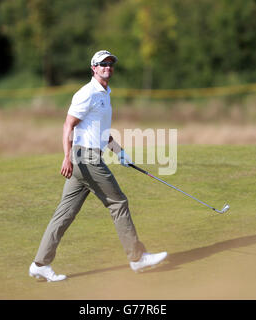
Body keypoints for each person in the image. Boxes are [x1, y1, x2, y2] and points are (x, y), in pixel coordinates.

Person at [29, 50, 167, 282]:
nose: (107, 67)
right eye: (102, 64)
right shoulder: (87, 93)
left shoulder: (105, 94)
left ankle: (39, 264)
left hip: (88, 159)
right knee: (118, 202)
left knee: (64, 214)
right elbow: (68, 125)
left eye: (111, 64)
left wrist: (120, 152)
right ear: (93, 68)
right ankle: (137, 258)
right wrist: (66, 156)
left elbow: (101, 133)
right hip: (86, 158)